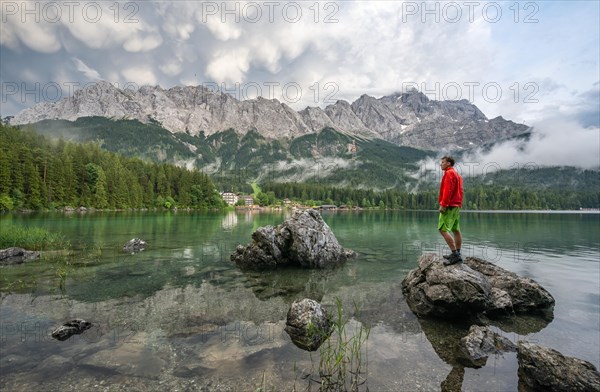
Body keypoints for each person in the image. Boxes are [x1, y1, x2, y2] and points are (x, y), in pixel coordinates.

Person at [438, 155, 464, 266]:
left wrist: (443, 204)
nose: (441, 164)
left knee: (442, 229)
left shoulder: (448, 173)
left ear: (448, 163)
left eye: (443, 162)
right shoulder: (457, 175)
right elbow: (461, 191)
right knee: (455, 229)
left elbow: (447, 191)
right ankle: (457, 252)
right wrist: (459, 203)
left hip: (449, 206)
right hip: (456, 206)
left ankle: (455, 255)